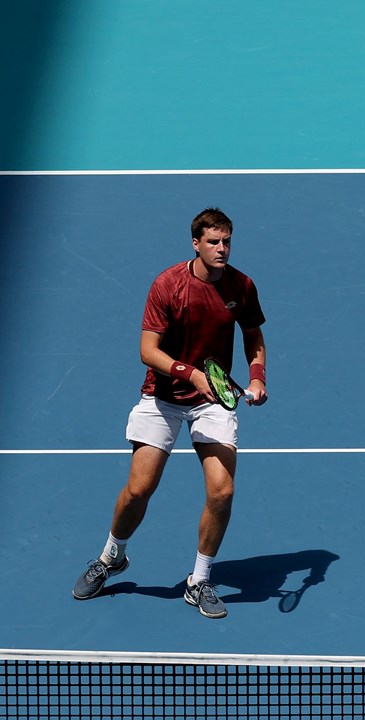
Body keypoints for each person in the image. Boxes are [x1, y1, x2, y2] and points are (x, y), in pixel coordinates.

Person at [72, 208, 268, 619]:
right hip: (161, 398)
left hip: (212, 400)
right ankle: (111, 557)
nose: (222, 249)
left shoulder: (241, 286)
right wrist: (190, 373)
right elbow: (148, 351)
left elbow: (253, 335)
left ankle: (199, 581)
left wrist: (257, 377)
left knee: (222, 491)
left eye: (227, 241)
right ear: (195, 243)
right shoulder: (167, 284)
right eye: (213, 242)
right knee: (139, 490)